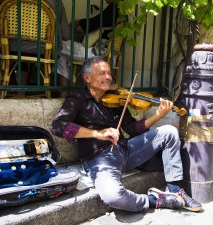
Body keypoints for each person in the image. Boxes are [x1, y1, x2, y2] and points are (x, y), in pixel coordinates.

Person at [51, 56, 202, 212]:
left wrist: (157, 116)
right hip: (99, 159)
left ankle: (175, 190)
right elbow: (58, 126)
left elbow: (132, 129)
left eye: (109, 73)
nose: (108, 77)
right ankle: (155, 200)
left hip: (126, 150)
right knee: (113, 196)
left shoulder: (116, 99)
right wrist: (97, 133)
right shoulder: (77, 100)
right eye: (102, 73)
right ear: (87, 77)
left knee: (169, 132)